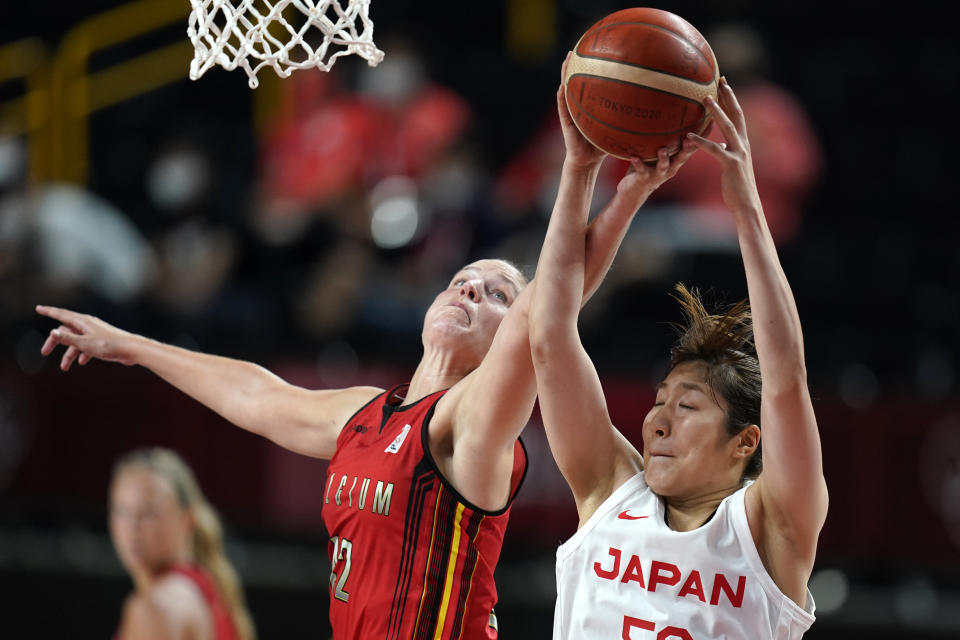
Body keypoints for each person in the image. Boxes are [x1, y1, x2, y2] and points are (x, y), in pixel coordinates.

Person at [35, 74, 696, 635]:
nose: (471, 286)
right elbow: (255, 394)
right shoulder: (366, 416)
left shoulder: (470, 425)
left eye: (497, 293)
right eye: (463, 277)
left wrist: (597, 179)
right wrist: (132, 347)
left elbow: (547, 309)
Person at [529, 65, 828, 638]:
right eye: (662, 401)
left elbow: (786, 377)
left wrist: (745, 208)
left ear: (746, 439)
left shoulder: (771, 529)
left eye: (687, 407)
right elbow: (549, 334)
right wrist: (582, 169)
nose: (657, 421)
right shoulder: (609, 490)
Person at [108, 447, 256, 640]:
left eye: (149, 513)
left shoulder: (157, 607)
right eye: (121, 511)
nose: (132, 527)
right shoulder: (208, 590)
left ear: (187, 518)